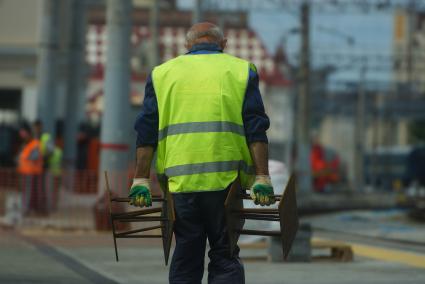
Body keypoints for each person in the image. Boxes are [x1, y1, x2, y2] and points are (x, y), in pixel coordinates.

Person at [131, 22, 275, 284]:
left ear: (187, 45)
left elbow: (146, 130)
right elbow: (256, 128)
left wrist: (139, 179)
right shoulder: (241, 71)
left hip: (180, 183)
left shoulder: (162, 74)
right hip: (226, 183)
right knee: (225, 253)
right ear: (223, 44)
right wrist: (262, 177)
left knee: (187, 252)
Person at [17, 122, 43, 215]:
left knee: (29, 193)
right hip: (25, 172)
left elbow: (35, 157)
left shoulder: (34, 143)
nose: (22, 135)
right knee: (26, 192)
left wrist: (26, 159)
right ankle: (26, 208)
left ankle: (27, 209)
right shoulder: (27, 144)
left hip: (31, 172)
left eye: (24, 133)